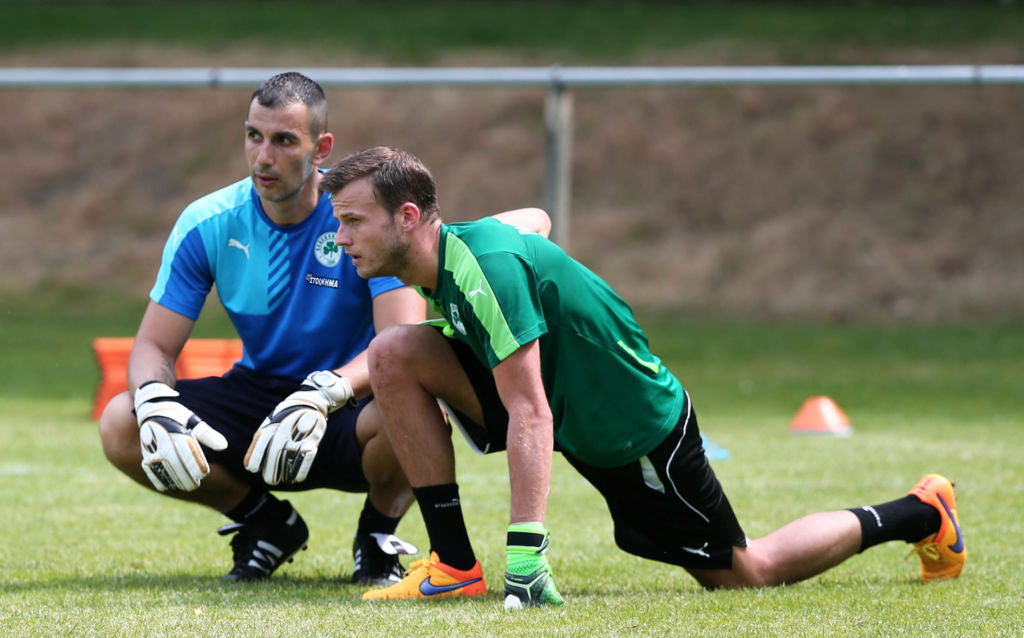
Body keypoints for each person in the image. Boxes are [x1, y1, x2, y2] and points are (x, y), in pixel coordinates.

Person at [318, 146, 966, 607]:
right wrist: (331, 391)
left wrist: (525, 557)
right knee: (393, 353)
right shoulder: (458, 251)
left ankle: (918, 513)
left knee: (744, 572)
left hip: (634, 430)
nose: (341, 238)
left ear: (408, 217)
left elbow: (531, 414)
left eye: (352, 220)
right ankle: (455, 564)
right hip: (575, 413)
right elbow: (534, 220)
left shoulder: (483, 271)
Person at [97, 72, 429, 585]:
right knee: (124, 421)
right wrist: (154, 400)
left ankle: (377, 538)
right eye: (254, 135)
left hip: (349, 400)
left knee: (416, 403)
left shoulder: (367, 216)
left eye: (283, 140)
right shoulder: (207, 222)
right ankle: (266, 522)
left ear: (321, 148)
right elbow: (153, 345)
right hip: (257, 398)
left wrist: (324, 393)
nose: (263, 157)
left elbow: (402, 344)